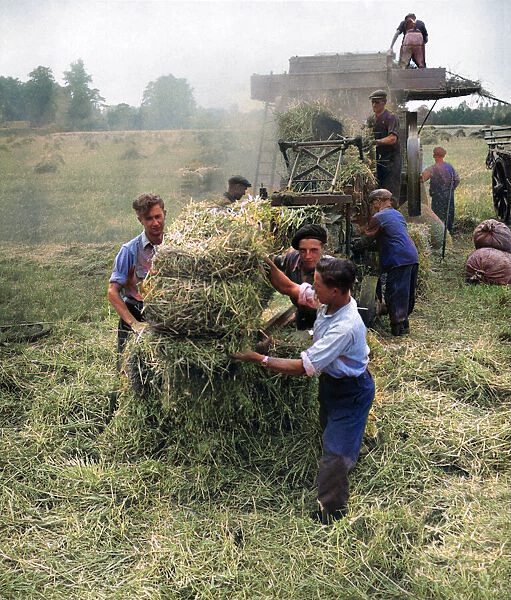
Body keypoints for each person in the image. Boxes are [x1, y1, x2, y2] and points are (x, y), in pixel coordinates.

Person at [234, 257, 375, 524]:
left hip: (351, 392)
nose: (312, 286)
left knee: (336, 453)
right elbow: (290, 288)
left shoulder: (344, 328)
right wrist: (264, 263)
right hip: (332, 385)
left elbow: (303, 367)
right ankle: (353, 447)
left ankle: (331, 513)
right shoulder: (329, 301)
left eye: (318, 284)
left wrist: (258, 359)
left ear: (335, 290)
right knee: (328, 429)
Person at [108, 193, 166, 369]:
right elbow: (112, 292)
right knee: (130, 369)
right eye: (149, 218)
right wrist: (134, 324)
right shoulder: (130, 250)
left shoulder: (176, 245)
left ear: (165, 214)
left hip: (166, 316)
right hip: (137, 311)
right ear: (140, 220)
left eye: (158, 216)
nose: (155, 223)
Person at [360, 189, 419, 337]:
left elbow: (367, 239)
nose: (373, 207)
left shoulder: (379, 217)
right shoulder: (398, 215)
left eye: (373, 203)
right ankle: (404, 325)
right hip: (412, 256)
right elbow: (390, 236)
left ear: (379, 201)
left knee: (395, 292)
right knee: (406, 293)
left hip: (398, 258)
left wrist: (355, 246)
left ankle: (397, 329)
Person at [273, 224, 329, 330]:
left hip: (326, 324)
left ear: (323, 249)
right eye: (303, 251)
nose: (308, 256)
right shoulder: (291, 259)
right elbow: (274, 261)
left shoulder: (332, 271)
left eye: (314, 250)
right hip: (301, 317)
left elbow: (288, 288)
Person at [366, 90, 402, 203]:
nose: (374, 105)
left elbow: (392, 139)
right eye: (373, 102)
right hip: (378, 161)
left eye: (377, 102)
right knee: (378, 190)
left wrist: (375, 142)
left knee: (390, 193)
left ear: (384, 102)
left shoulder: (391, 118)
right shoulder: (371, 119)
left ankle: (392, 212)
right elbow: (365, 132)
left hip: (391, 161)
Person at [421, 147, 460, 234]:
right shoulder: (450, 167)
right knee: (449, 214)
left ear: (434, 156)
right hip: (449, 196)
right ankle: (449, 233)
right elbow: (457, 180)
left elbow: (422, 179)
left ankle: (440, 234)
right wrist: (451, 189)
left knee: (438, 216)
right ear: (443, 156)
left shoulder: (432, 169)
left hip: (437, 197)